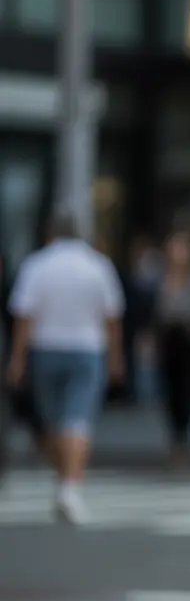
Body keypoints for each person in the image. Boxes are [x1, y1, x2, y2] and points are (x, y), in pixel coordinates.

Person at [5, 211, 125, 523]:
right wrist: (115, 357)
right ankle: (69, 485)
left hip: (45, 348)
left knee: (52, 421)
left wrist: (17, 359)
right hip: (87, 348)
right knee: (77, 418)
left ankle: (66, 482)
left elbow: (24, 316)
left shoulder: (37, 265)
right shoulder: (98, 265)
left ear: (51, 233)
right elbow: (112, 317)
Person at [155, 229, 190, 467]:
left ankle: (185, 440)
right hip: (168, 340)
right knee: (170, 393)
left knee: (189, 392)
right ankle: (176, 440)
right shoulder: (160, 278)